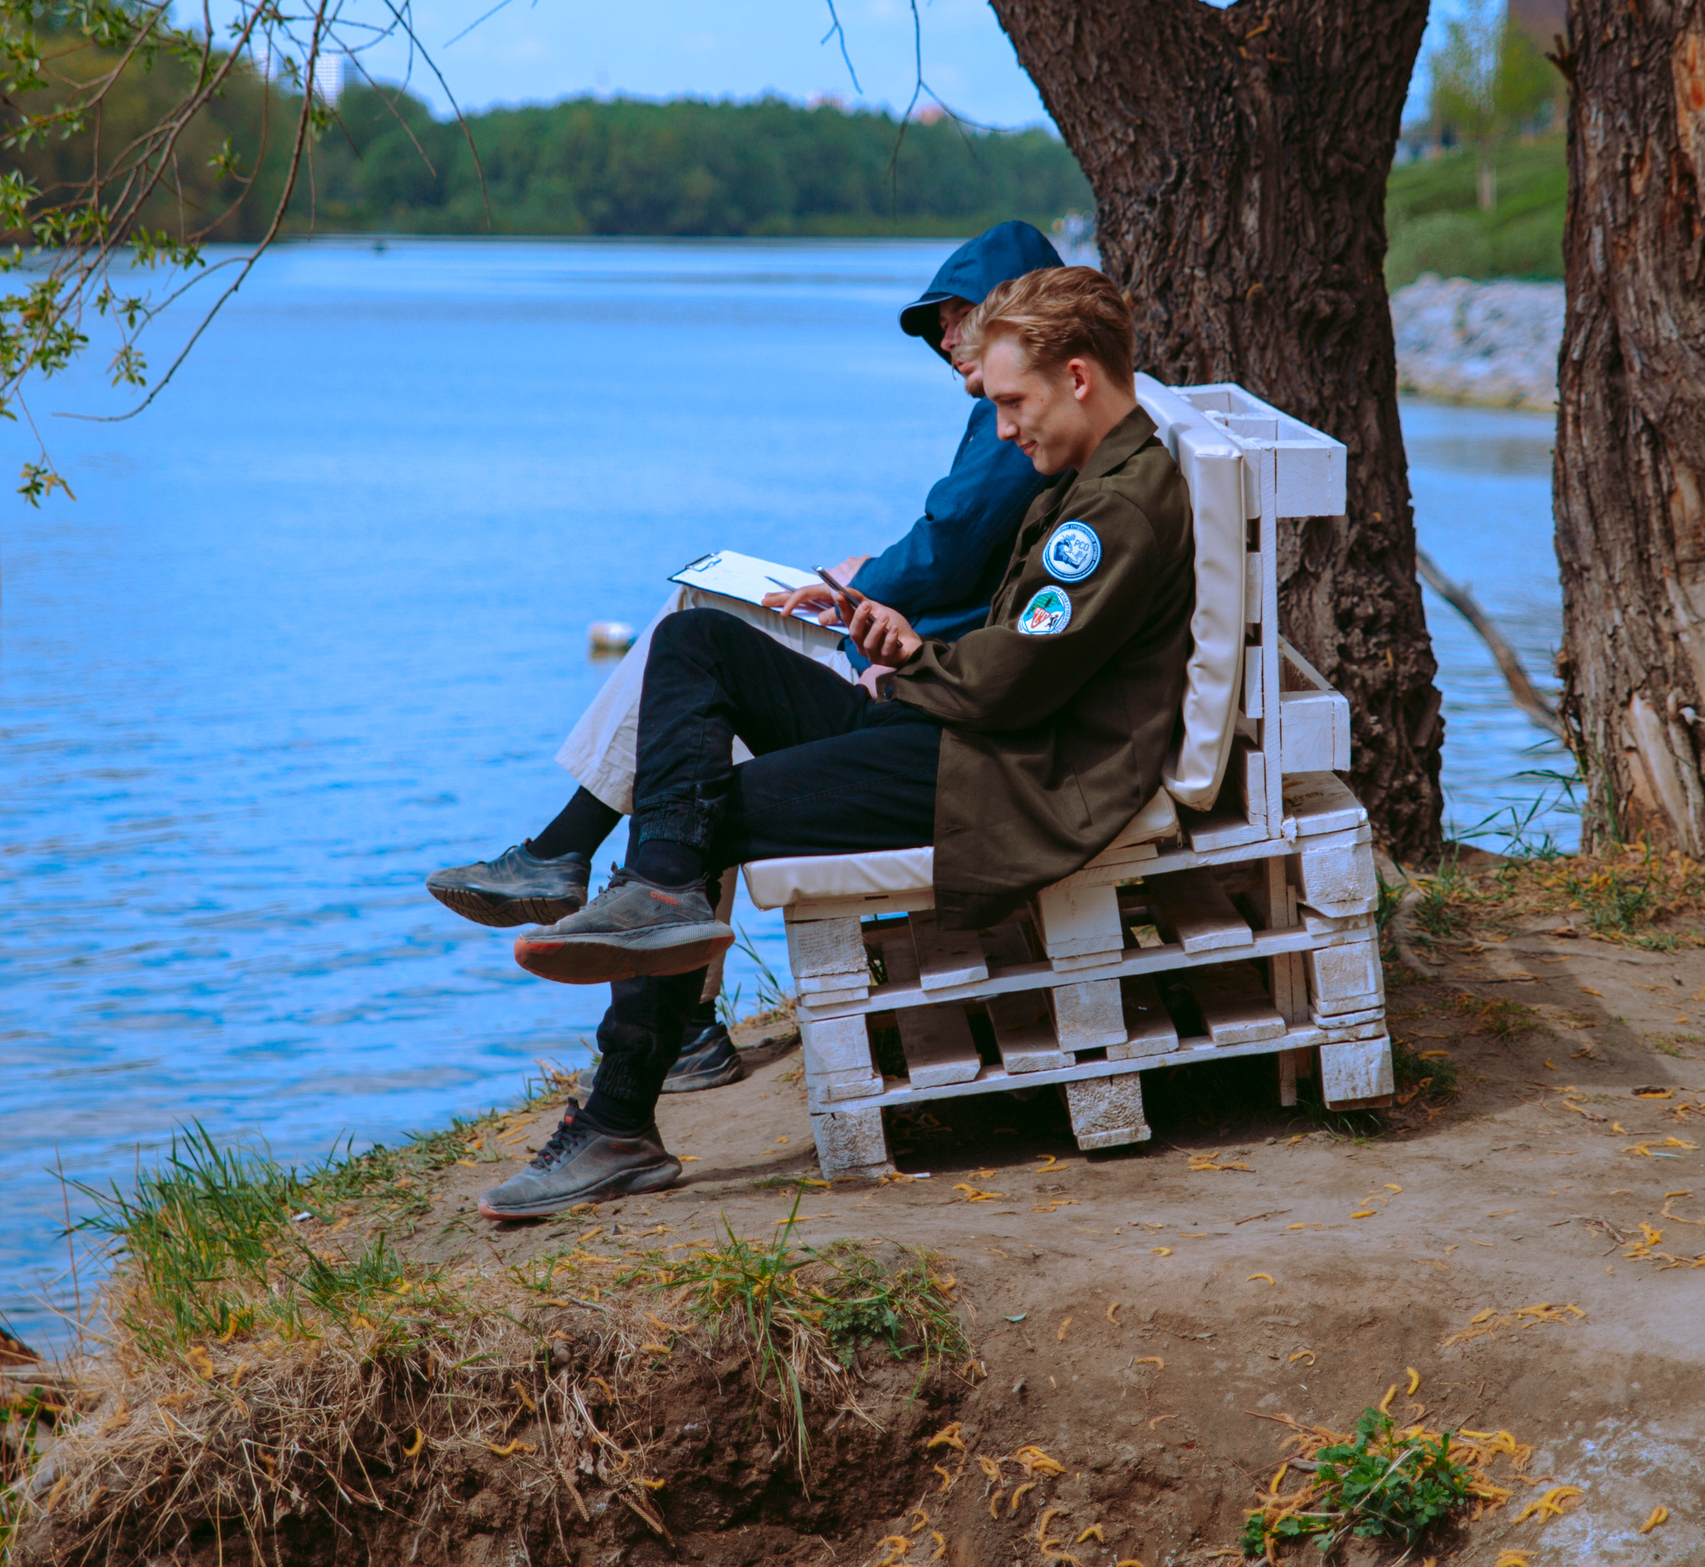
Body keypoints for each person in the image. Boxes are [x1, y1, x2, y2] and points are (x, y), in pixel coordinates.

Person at [477, 266, 1196, 1218]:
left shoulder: (1115, 507)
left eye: (1012, 402)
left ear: (1076, 376)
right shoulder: (1088, 478)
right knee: (697, 641)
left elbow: (1017, 680)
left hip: (1002, 776)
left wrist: (909, 668)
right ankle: (659, 895)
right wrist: (909, 645)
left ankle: (617, 1117)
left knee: (697, 816)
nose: (1004, 428)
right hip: (965, 732)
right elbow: (1023, 655)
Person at [425, 220, 1057, 1093]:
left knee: (696, 668)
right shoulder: (1022, 415)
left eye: (957, 315)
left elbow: (951, 548)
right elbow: (963, 547)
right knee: (693, 680)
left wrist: (864, 590)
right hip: (914, 652)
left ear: (1017, 313)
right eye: (939, 322)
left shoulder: (1021, 421)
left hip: (917, 674)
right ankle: (640, 970)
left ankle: (580, 877)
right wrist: (869, 585)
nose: (944, 336)